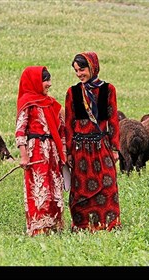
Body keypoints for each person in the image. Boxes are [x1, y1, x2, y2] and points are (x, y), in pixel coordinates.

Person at [65, 51, 122, 233]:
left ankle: (108, 224)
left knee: (108, 185)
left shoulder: (108, 90)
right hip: (80, 149)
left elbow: (113, 120)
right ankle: (82, 225)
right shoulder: (73, 92)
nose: (79, 74)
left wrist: (114, 148)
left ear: (92, 67)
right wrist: (68, 152)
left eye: (82, 69)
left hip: (101, 146)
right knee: (81, 190)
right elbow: (69, 124)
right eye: (76, 71)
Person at [15, 66, 66, 237]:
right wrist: (24, 155)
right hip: (35, 150)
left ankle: (53, 224)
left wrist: (64, 152)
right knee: (39, 186)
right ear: (35, 81)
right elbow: (20, 130)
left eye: (49, 80)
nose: (49, 84)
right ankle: (39, 226)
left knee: (53, 185)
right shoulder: (27, 102)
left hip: (52, 151)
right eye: (45, 80)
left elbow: (61, 129)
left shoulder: (50, 103)